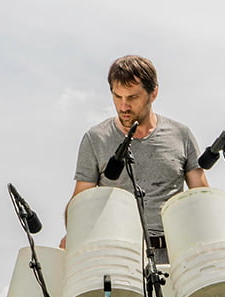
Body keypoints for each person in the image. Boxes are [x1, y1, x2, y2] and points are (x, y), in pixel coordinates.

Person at [67, 55, 208, 253]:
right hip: (121, 254)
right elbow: (79, 203)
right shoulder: (95, 138)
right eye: (117, 97)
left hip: (176, 253)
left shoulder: (181, 135)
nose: (123, 106)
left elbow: (202, 197)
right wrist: (74, 230)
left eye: (132, 97)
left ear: (154, 93)